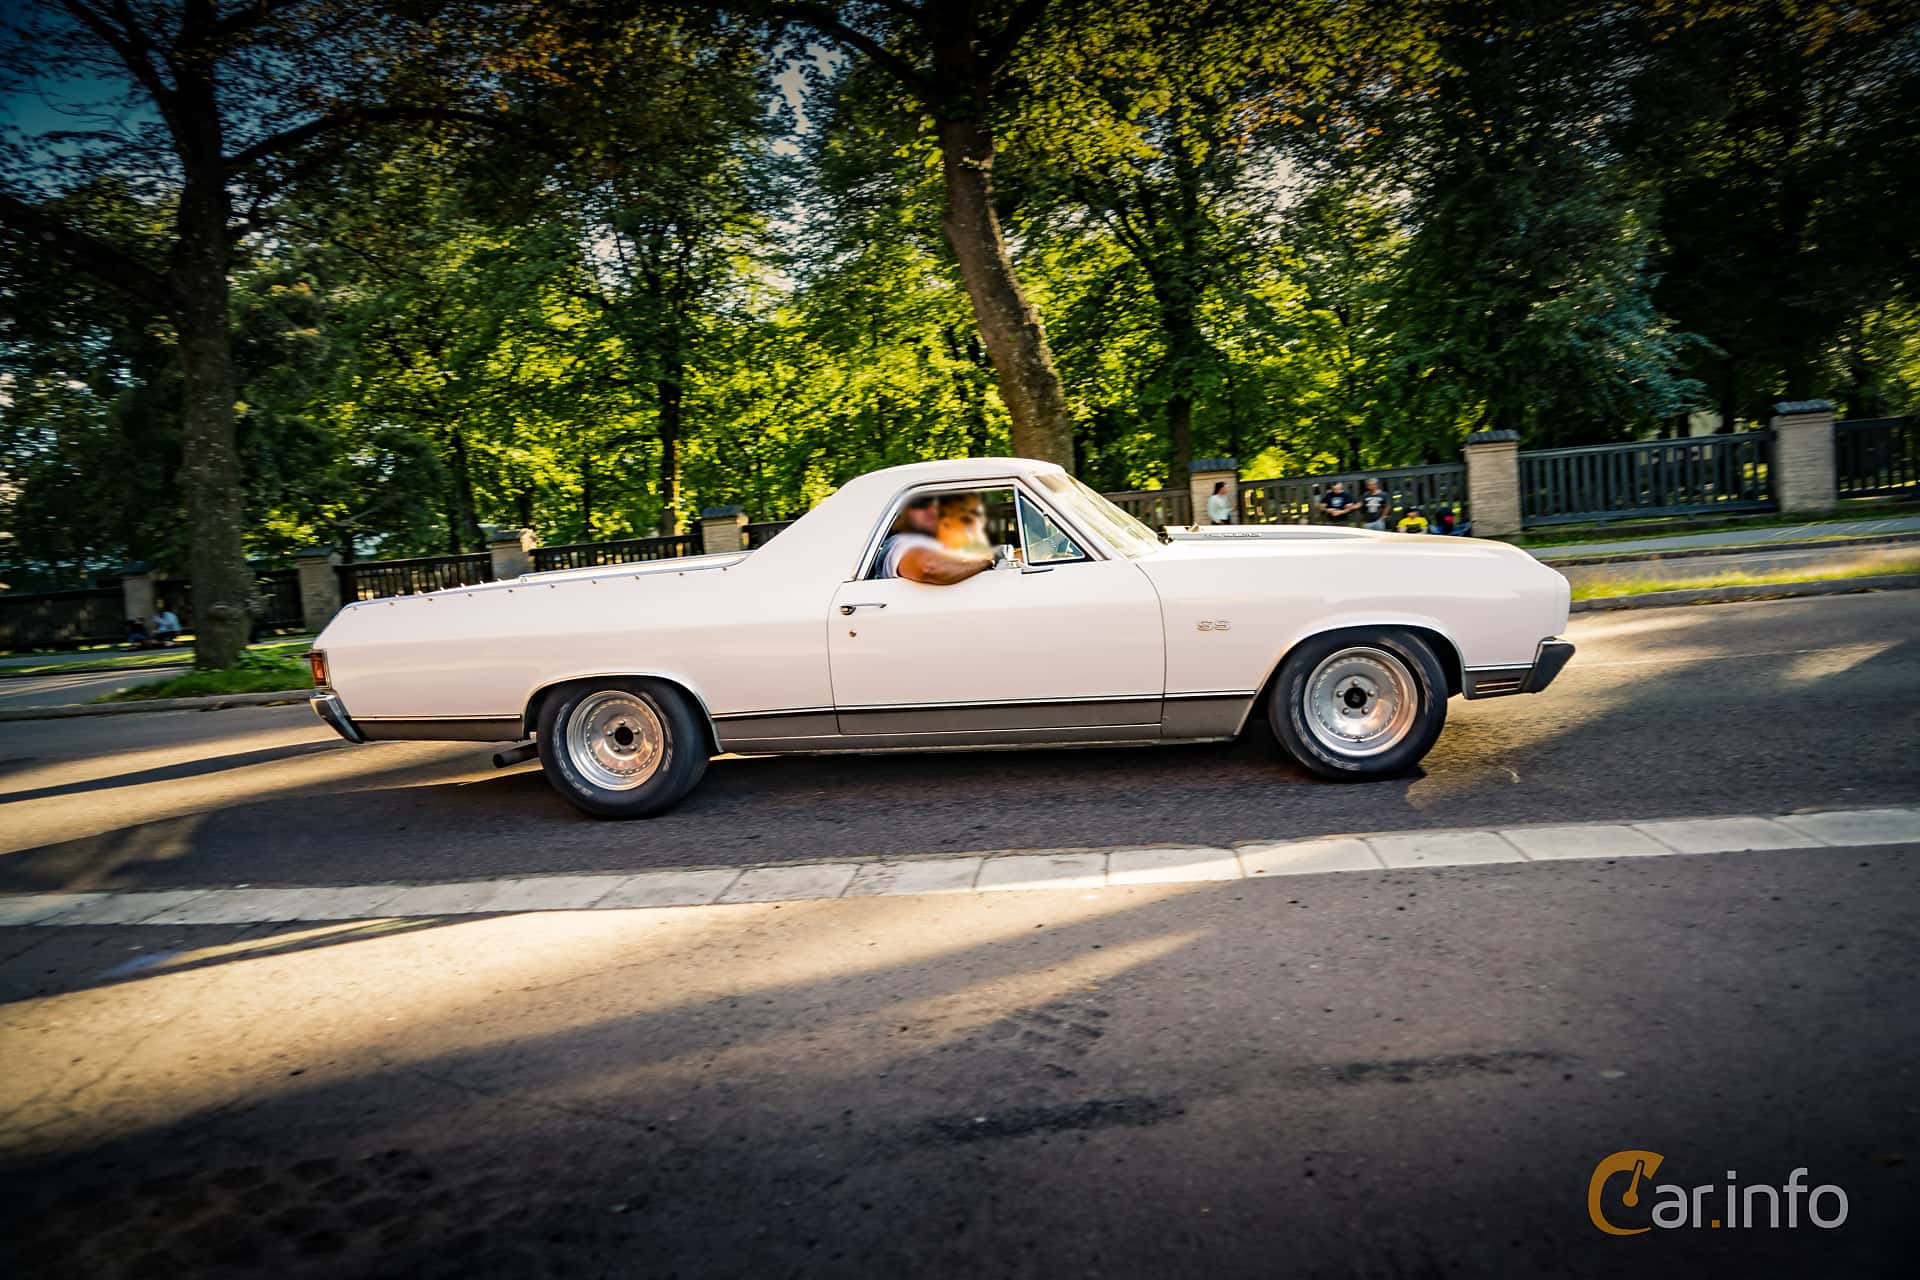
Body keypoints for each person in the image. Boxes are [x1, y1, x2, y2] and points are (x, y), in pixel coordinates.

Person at [879, 494, 997, 584]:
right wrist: (986, 561)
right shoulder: (901, 542)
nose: (932, 510)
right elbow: (929, 567)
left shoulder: (938, 542)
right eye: (920, 504)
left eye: (934, 503)